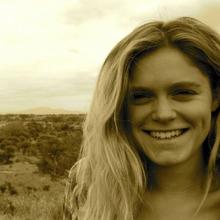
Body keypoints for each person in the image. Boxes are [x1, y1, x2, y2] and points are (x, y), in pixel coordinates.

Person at [63, 17, 220, 220]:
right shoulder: (88, 186)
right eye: (141, 96)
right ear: (120, 106)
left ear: (215, 97)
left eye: (183, 92)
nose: (163, 114)